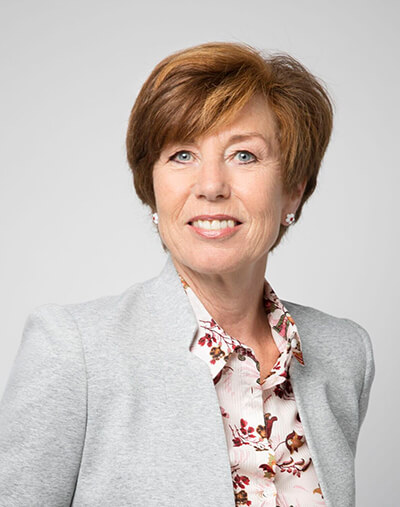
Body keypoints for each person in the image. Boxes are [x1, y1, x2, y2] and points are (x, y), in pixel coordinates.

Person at [0, 41, 374, 507]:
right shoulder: (74, 352)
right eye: (182, 155)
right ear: (152, 187)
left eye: (244, 155)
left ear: (292, 192)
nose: (211, 186)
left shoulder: (343, 354)